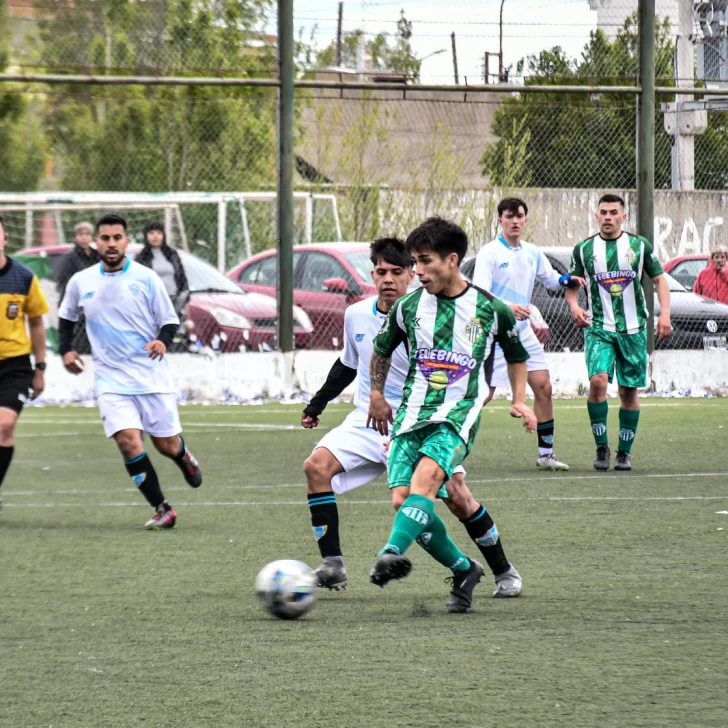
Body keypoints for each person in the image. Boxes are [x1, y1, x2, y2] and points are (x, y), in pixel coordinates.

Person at [302, 237, 524, 600]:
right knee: (316, 467)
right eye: (380, 272)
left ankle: (500, 568)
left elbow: (474, 358)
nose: (388, 279)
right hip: (369, 419)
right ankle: (333, 564)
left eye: (398, 271)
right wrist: (318, 404)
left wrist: (489, 395)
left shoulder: (430, 311)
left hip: (427, 414)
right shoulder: (358, 314)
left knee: (456, 496)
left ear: (410, 274)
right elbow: (349, 363)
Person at [367, 218, 536, 613]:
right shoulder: (408, 308)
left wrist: (519, 398)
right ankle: (466, 569)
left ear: (452, 260)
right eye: (414, 262)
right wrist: (376, 393)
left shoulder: (491, 310)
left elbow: (516, 357)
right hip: (411, 416)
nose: (417, 271)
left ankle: (390, 551)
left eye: (424, 262)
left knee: (425, 484)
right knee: (409, 501)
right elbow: (381, 349)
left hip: (457, 415)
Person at [58, 213, 202, 530]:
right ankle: (162, 508)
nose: (111, 244)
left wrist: (163, 342)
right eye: (105, 238)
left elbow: (169, 320)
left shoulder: (146, 278)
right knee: (128, 441)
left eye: (117, 238)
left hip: (151, 376)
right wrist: (65, 350)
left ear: (126, 241)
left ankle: (182, 455)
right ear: (96, 242)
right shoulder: (81, 281)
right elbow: (66, 319)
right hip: (110, 379)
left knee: (166, 445)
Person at [473, 197, 584, 471]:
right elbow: (479, 294)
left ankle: (545, 455)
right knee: (481, 395)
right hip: (493, 333)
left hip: (521, 332)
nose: (514, 221)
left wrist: (567, 279)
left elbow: (550, 279)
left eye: (519, 216)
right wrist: (508, 307)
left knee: (544, 387)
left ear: (525, 220)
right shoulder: (489, 253)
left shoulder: (532, 252)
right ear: (500, 220)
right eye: (508, 216)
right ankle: (441, 447)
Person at [566, 194, 671, 472]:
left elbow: (660, 279)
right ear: (597, 216)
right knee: (598, 381)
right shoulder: (584, 249)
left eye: (614, 212)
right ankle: (602, 447)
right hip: (598, 326)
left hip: (634, 329)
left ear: (624, 217)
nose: (609, 217)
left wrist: (666, 315)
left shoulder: (638, 245)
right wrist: (574, 306)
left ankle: (624, 453)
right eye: (604, 212)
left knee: (628, 391)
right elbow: (573, 284)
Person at [0, 216, 49, 514]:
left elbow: (37, 323)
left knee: (4, 426)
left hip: (14, 366)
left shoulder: (24, 276)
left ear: (5, 237)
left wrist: (40, 368)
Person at [56, 222, 101, 354]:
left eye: (87, 234)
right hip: (79, 305)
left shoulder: (97, 256)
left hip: (97, 303)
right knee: (80, 341)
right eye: (81, 234)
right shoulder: (70, 257)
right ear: (75, 237)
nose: (84, 237)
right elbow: (64, 282)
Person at [136, 222, 190, 321]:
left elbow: (182, 277)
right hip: (153, 302)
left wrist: (184, 297)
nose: (155, 236)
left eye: (158, 233)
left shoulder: (172, 254)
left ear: (163, 235)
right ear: (146, 236)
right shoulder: (141, 258)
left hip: (174, 301)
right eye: (151, 233)